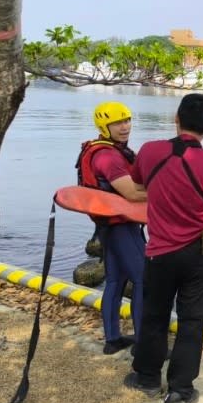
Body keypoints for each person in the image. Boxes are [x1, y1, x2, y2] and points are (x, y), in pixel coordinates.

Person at [124, 93, 203, 403]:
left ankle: (146, 378)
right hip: (201, 255)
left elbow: (138, 187)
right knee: (192, 321)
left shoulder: (149, 151)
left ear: (177, 118)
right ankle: (179, 392)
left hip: (159, 251)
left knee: (155, 314)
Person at [77, 101, 147, 355]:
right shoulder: (108, 156)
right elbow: (132, 193)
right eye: (117, 122)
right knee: (144, 280)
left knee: (116, 281)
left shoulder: (109, 150)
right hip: (121, 227)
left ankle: (113, 339)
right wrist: (166, 193)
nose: (125, 126)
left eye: (127, 120)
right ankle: (144, 344)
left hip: (109, 226)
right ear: (104, 127)